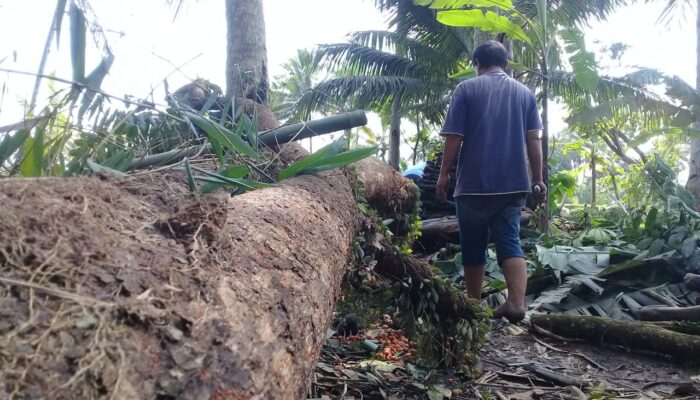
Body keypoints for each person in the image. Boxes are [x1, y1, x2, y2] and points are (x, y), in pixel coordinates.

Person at [435, 40, 546, 323]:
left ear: (477, 64)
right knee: (510, 241)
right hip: (514, 184)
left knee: (474, 244)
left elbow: (454, 137)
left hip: (474, 185)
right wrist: (538, 179)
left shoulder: (466, 89)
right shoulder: (525, 93)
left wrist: (444, 174)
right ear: (506, 64)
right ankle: (517, 304)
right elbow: (533, 139)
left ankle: (473, 305)